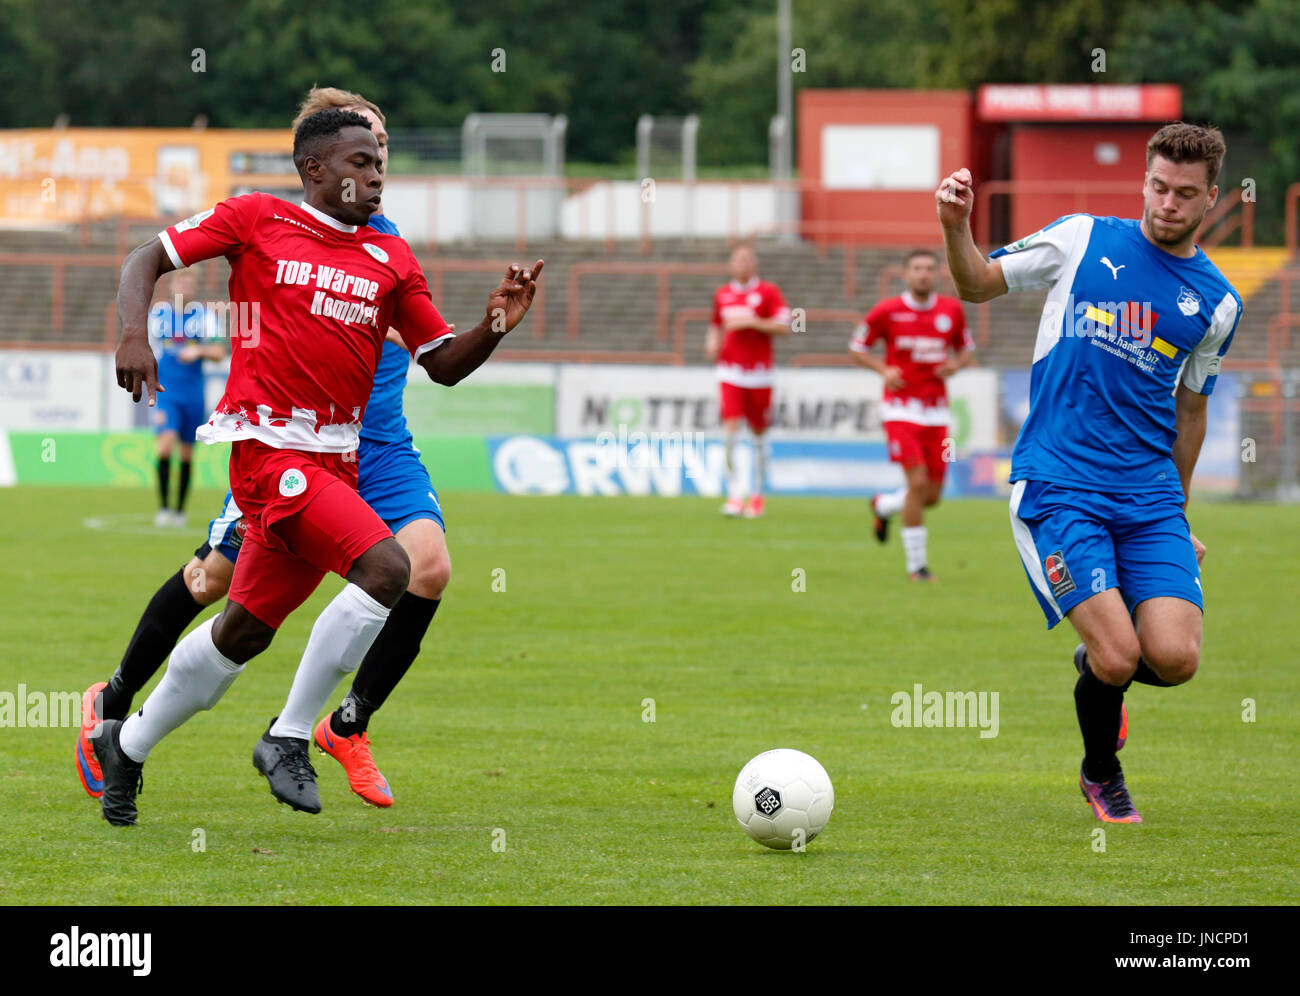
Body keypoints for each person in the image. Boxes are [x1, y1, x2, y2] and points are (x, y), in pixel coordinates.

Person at [93, 107, 542, 826]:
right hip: (269, 454)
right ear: (315, 169)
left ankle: (130, 744)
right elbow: (143, 257)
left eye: (379, 162)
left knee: (243, 631)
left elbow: (443, 365)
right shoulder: (255, 218)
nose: (375, 173)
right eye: (360, 162)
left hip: (336, 463)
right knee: (390, 569)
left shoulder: (390, 259)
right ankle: (291, 736)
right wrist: (131, 335)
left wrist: (494, 323)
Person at [936, 122, 1242, 823]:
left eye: (1185, 194)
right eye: (1159, 187)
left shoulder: (1218, 303)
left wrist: (1180, 513)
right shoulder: (1081, 238)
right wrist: (955, 225)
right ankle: (1101, 770)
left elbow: (1192, 414)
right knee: (1115, 657)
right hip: (1058, 483)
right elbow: (978, 285)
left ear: (1210, 199)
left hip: (1149, 497)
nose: (1168, 202)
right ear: (1144, 181)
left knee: (1175, 658)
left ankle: (1101, 679)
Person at [850, 249, 974, 580]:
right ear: (904, 274)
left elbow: (966, 349)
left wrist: (955, 365)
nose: (923, 274)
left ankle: (884, 506)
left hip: (936, 411)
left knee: (931, 496)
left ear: (937, 275)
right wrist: (883, 369)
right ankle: (916, 567)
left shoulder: (951, 310)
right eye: (916, 268)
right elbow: (857, 347)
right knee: (917, 483)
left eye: (929, 269)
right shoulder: (887, 311)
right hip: (900, 408)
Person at [706, 245, 790, 518]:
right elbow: (716, 325)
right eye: (736, 259)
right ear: (730, 264)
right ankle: (733, 496)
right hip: (730, 372)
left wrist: (753, 322)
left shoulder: (768, 292)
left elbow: (785, 326)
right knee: (730, 432)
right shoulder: (723, 294)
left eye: (746, 259)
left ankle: (758, 494)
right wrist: (712, 344)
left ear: (754, 263)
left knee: (758, 436)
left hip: (760, 374)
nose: (741, 264)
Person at [150, 268, 224, 527]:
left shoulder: (204, 316)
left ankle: (179, 511)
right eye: (180, 280)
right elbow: (145, 346)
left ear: (194, 287)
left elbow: (218, 351)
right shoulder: (158, 315)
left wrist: (199, 351)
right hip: (166, 391)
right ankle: (163, 508)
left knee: (186, 454)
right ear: (171, 285)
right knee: (165, 444)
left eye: (189, 282)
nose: (184, 286)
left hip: (193, 392)